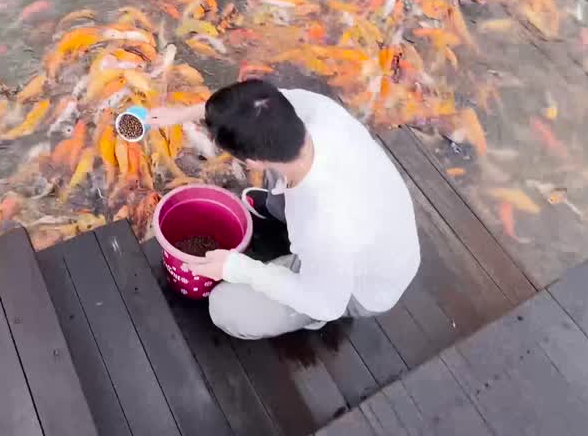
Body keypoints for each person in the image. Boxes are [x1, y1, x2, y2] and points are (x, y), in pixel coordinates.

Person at [147, 79, 420, 340]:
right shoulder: (316, 111)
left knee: (225, 308)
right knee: (278, 169)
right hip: (367, 225)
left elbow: (328, 304)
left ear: (253, 162)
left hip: (357, 287)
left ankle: (305, 316)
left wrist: (238, 268)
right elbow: (254, 107)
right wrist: (181, 114)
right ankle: (278, 208)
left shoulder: (323, 221)